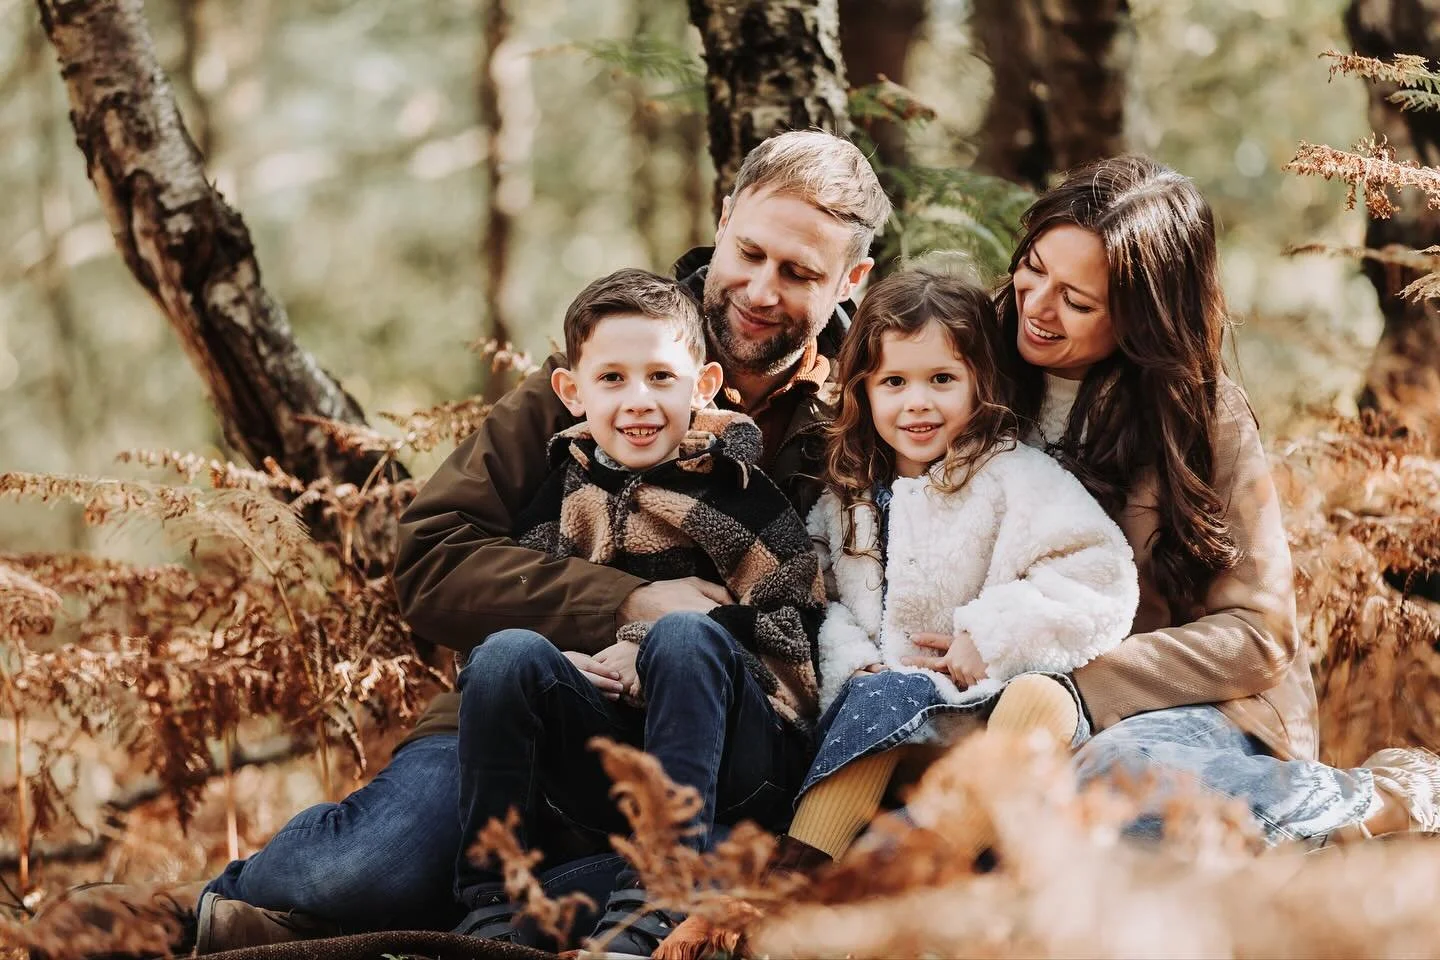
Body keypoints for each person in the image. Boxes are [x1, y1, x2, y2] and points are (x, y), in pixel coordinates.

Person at [178, 129, 891, 954]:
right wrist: (625, 602)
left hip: (717, 752)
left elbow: (835, 610)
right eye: (750, 252)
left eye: (799, 273)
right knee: (364, 870)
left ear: (852, 279)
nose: (761, 290)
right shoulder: (615, 357)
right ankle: (191, 914)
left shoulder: (868, 411)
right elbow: (433, 558)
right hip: (529, 721)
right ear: (724, 217)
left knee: (620, 894)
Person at [979, 154, 1439, 845]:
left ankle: (1375, 802)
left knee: (1106, 781)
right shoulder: (966, 368)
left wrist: (1077, 683)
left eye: (1077, 301)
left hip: (1194, 713)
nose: (1038, 307)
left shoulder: (1201, 415)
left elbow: (1259, 637)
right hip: (997, 702)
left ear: (1141, 317)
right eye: (1034, 268)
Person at [452, 266, 825, 956]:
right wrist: (562, 655)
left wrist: (652, 640)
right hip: (610, 763)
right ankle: (490, 908)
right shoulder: (563, 494)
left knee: (683, 635)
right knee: (504, 654)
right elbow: (522, 627)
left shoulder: (741, 495)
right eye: (612, 379)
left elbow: (797, 630)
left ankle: (660, 893)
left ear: (703, 386)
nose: (639, 401)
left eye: (660, 377)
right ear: (571, 392)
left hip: (736, 763)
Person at [768, 269, 1139, 871]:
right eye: (894, 382)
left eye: (942, 379)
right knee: (881, 694)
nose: (918, 401)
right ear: (862, 392)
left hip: (986, 706)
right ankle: (797, 874)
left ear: (979, 384)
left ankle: (932, 867)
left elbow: (1102, 573)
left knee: (1046, 699)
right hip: (886, 714)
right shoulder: (847, 497)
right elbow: (822, 596)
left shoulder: (1013, 476)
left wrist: (990, 635)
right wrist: (849, 659)